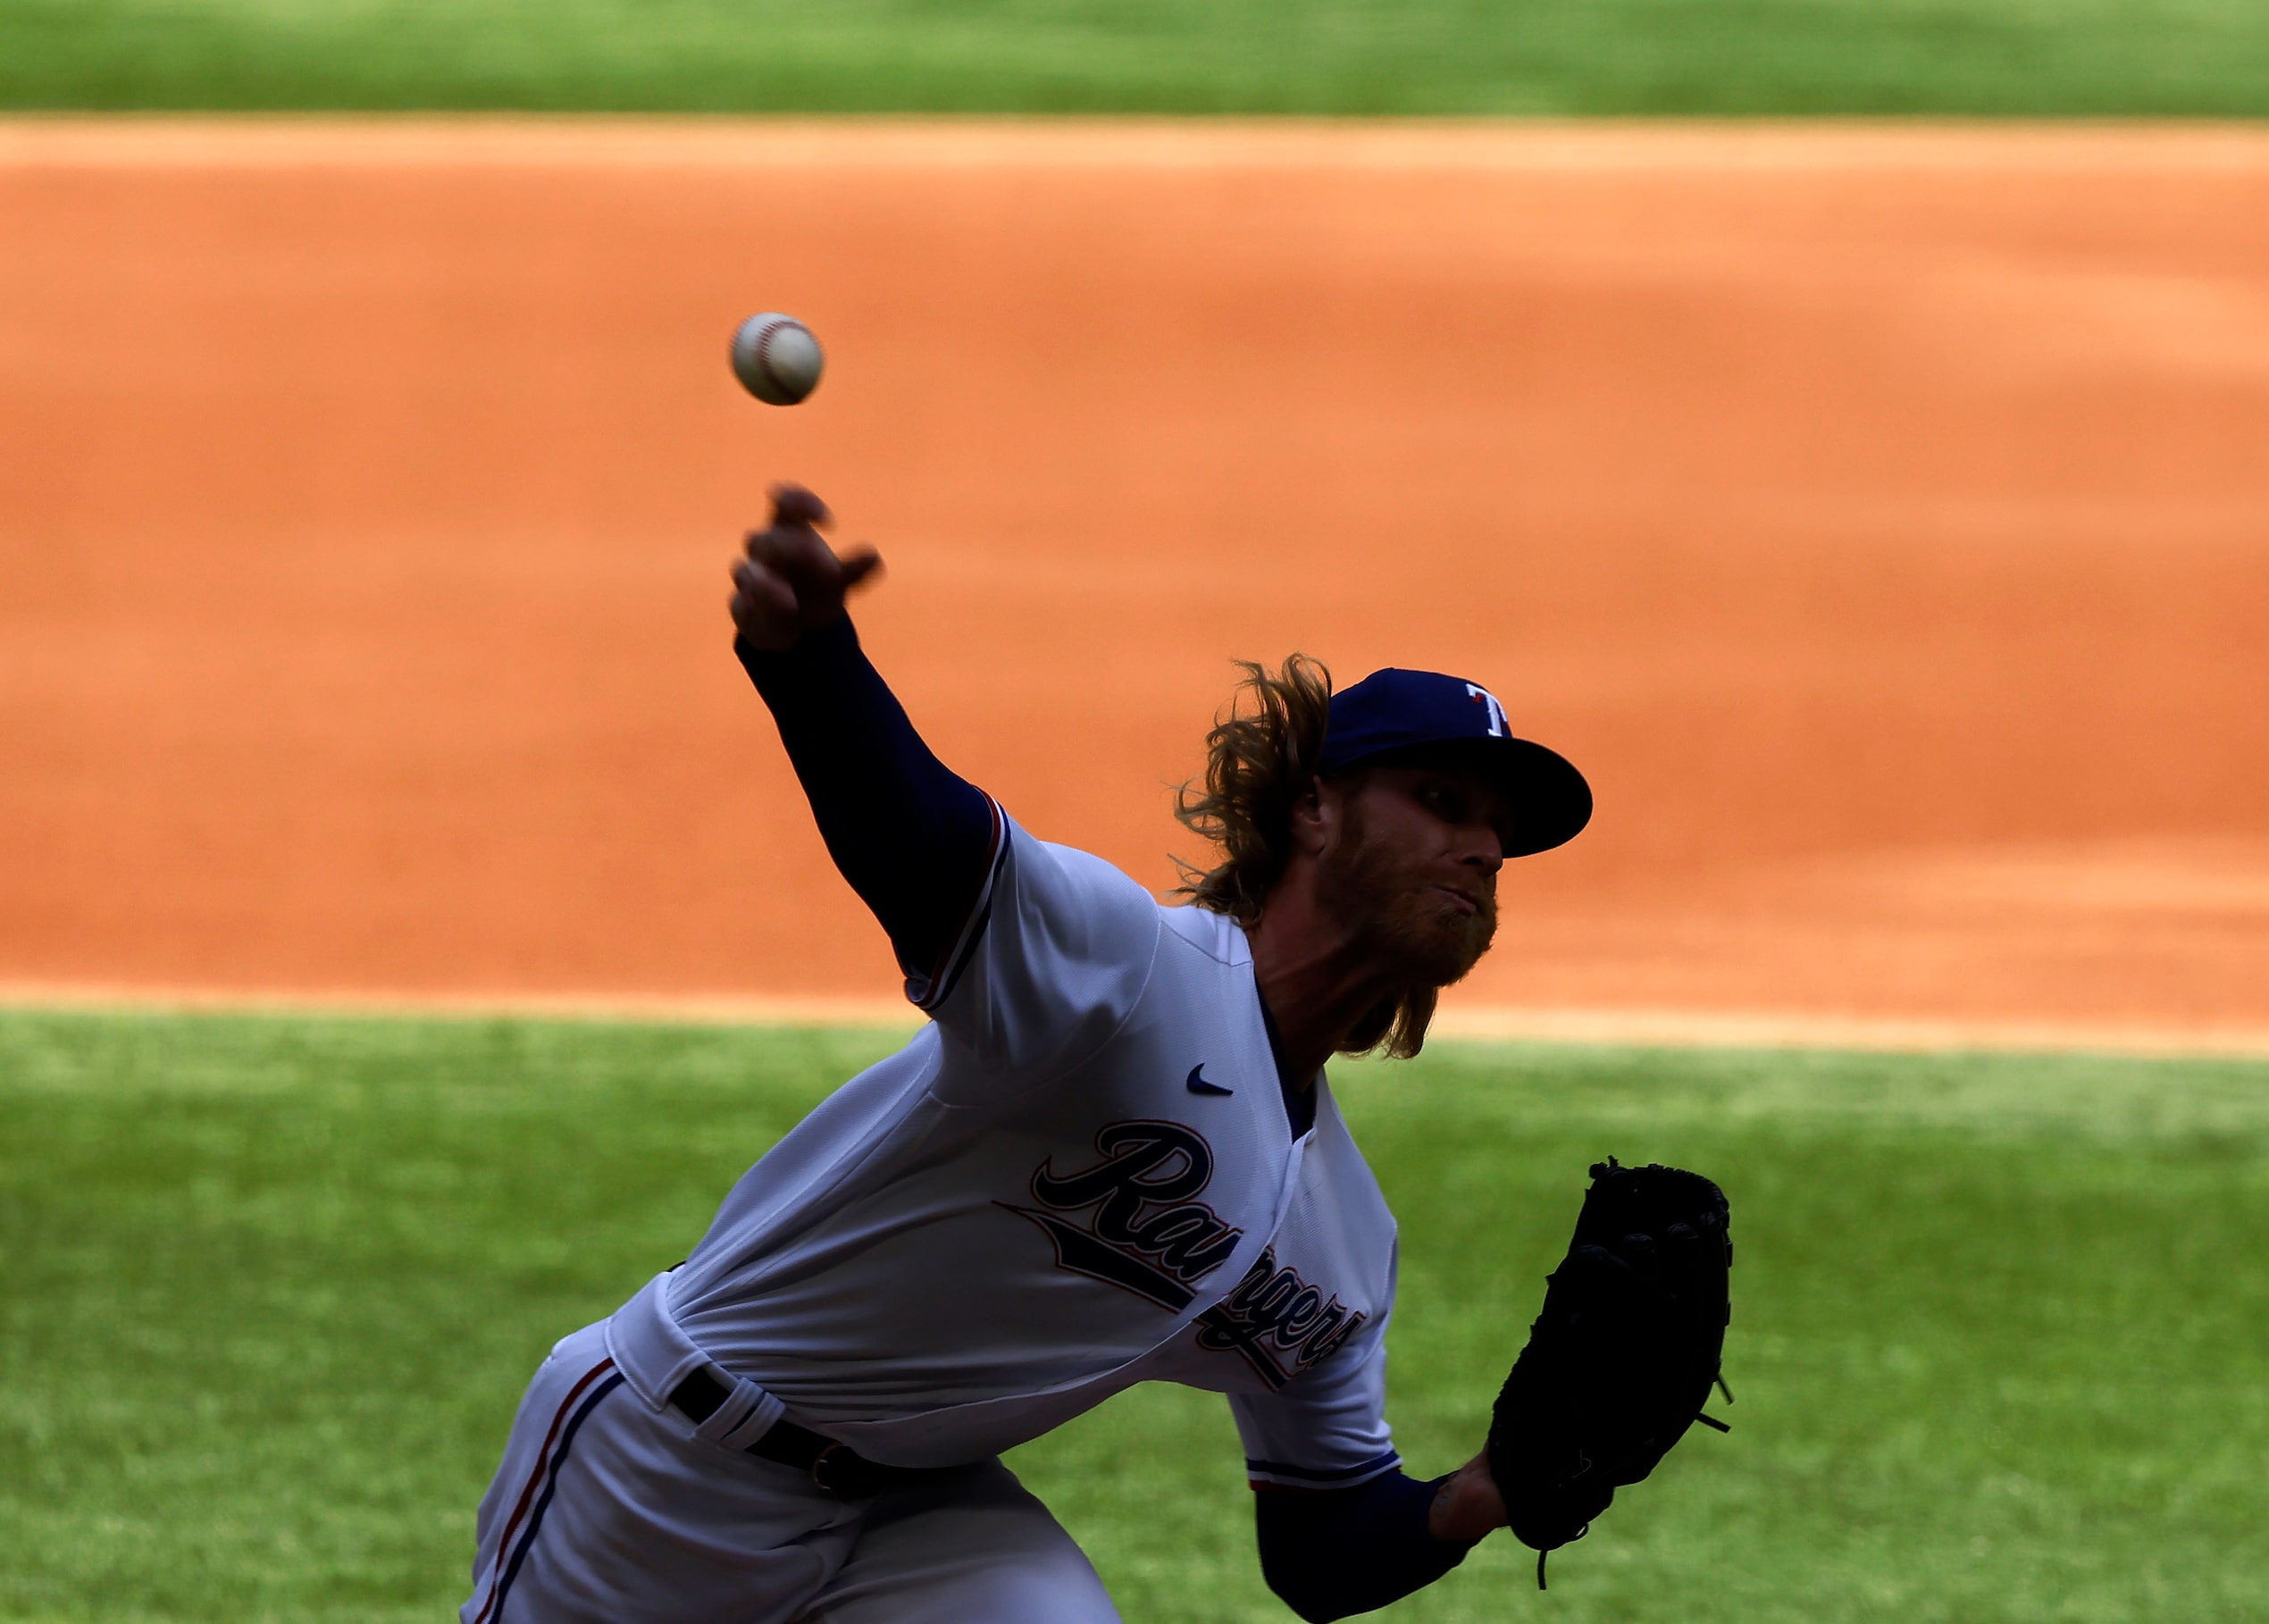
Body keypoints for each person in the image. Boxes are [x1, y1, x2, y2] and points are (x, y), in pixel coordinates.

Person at [460, 484, 1595, 1623]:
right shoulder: (1126, 968)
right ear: (1314, 811)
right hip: (671, 1459)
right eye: (1443, 800)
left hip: (922, 1520)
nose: (1484, 849)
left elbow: (1321, 1540)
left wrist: (1486, 1492)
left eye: (1502, 833)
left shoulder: (1344, 1243)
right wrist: (811, 661)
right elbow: (922, 846)